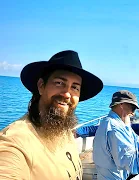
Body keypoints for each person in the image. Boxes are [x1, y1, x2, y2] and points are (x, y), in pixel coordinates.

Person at [0, 50, 103, 179]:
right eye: (59, 83)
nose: (67, 94)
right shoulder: (15, 142)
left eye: (75, 87)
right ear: (41, 86)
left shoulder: (64, 132)